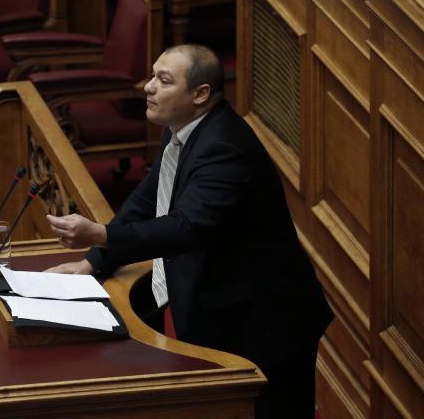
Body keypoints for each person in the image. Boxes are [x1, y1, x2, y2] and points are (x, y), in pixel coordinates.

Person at [46, 44, 333, 419]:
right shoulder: (180, 129)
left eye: (164, 81)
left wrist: (101, 234)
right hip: (222, 302)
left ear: (200, 95)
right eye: (152, 75)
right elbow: (147, 200)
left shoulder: (225, 148)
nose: (148, 87)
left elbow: (186, 228)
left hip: (264, 322)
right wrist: (94, 262)